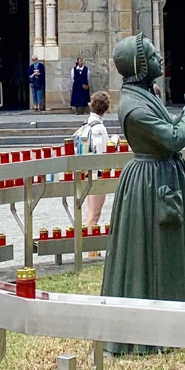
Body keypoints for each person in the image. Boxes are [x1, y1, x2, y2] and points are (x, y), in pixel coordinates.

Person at [101, 36, 185, 354]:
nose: (160, 57)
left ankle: (177, 326)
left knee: (167, 252)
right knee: (149, 254)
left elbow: (168, 131)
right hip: (150, 182)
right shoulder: (135, 108)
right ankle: (148, 334)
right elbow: (173, 138)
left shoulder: (145, 96)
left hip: (160, 176)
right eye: (153, 55)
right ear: (141, 66)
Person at [76, 94, 111, 253]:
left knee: (90, 213)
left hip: (88, 173)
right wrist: (114, 141)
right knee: (94, 214)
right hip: (98, 175)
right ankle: (90, 250)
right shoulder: (99, 128)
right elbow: (102, 152)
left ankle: (90, 249)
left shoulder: (87, 123)